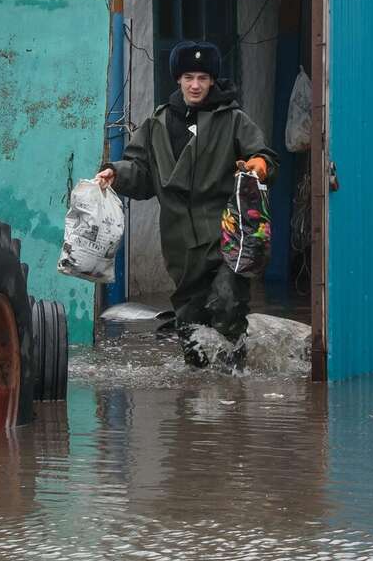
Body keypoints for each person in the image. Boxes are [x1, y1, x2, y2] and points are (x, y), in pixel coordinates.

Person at [99, 40, 275, 368]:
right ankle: (195, 400)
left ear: (213, 81)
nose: (196, 85)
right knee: (190, 326)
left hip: (227, 238)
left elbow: (263, 155)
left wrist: (259, 165)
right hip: (181, 246)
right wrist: (115, 174)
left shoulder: (232, 119)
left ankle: (235, 379)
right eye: (189, 77)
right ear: (178, 80)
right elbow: (141, 172)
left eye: (203, 78)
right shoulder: (158, 123)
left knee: (227, 303)